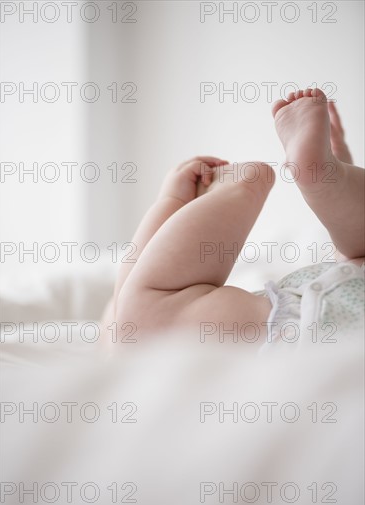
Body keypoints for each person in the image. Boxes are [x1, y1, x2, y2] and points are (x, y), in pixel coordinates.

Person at [102, 88, 364, 347]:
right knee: (143, 316)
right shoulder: (127, 343)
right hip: (328, 323)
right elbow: (129, 311)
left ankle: (331, 176)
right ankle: (299, 180)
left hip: (334, 313)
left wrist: (171, 201)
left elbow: (125, 308)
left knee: (355, 252)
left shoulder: (121, 348)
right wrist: (172, 201)